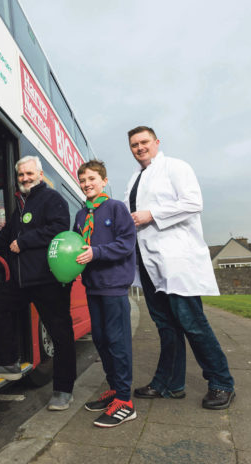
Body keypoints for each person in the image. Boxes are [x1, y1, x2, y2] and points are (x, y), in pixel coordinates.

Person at [124, 126, 235, 409]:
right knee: (165, 326)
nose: (139, 147)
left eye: (144, 142)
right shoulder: (134, 179)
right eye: (134, 144)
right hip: (149, 263)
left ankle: (222, 382)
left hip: (175, 260)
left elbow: (193, 202)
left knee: (192, 323)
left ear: (156, 142)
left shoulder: (175, 167)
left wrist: (153, 214)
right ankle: (169, 384)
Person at [0, 155, 77, 411]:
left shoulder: (52, 199)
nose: (25, 178)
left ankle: (64, 390)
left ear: (40, 175)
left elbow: (60, 228)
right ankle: (8, 362)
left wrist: (26, 241)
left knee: (60, 334)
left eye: (29, 174)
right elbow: (8, 234)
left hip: (48, 280)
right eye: (21, 175)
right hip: (23, 280)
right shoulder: (20, 205)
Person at [72, 160, 137, 428]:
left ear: (104, 181)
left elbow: (126, 244)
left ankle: (125, 401)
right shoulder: (80, 215)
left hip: (113, 286)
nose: (87, 184)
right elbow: (76, 247)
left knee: (117, 341)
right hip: (93, 286)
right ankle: (114, 388)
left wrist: (96, 252)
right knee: (100, 339)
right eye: (83, 180)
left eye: (92, 179)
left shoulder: (116, 208)